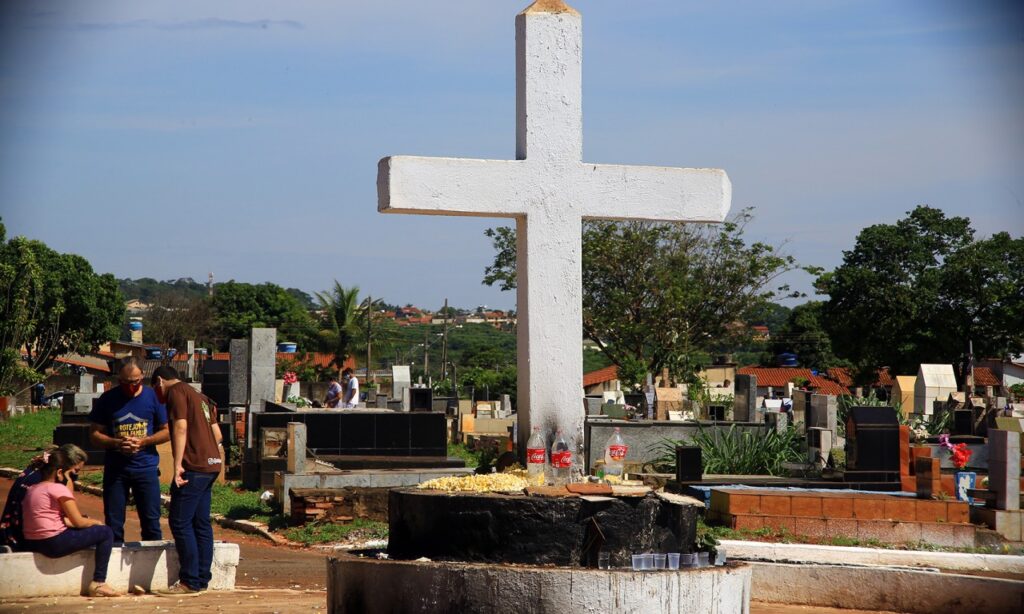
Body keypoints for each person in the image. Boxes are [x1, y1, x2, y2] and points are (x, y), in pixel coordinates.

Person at [150, 365, 223, 596]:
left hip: (194, 466)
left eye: (155, 388)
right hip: (211, 465)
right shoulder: (199, 397)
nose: (157, 395)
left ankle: (189, 580)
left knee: (180, 522)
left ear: (160, 381)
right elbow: (218, 435)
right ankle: (202, 578)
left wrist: (178, 464)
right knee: (200, 523)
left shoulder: (176, 392)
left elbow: (180, 428)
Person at [21, 445, 120, 597]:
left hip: (32, 541)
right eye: (72, 472)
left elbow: (58, 519)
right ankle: (99, 583)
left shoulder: (33, 488)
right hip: (53, 543)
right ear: (60, 472)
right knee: (105, 532)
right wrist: (96, 522)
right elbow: (79, 522)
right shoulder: (58, 489)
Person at [89, 359, 169, 543]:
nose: (131, 386)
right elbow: (94, 434)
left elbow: (167, 430)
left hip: (145, 468)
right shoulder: (108, 399)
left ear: (142, 377)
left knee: (151, 522)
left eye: (135, 382)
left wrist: (144, 442)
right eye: (125, 382)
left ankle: (150, 566)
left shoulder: (153, 397)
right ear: (119, 379)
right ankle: (112, 562)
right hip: (116, 471)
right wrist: (117, 443)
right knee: (114, 522)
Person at [1, 444, 84, 551]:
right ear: (63, 467)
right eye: (75, 471)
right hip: (22, 537)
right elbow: (66, 519)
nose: (75, 475)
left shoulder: (33, 471)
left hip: (8, 531)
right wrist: (83, 522)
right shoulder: (50, 483)